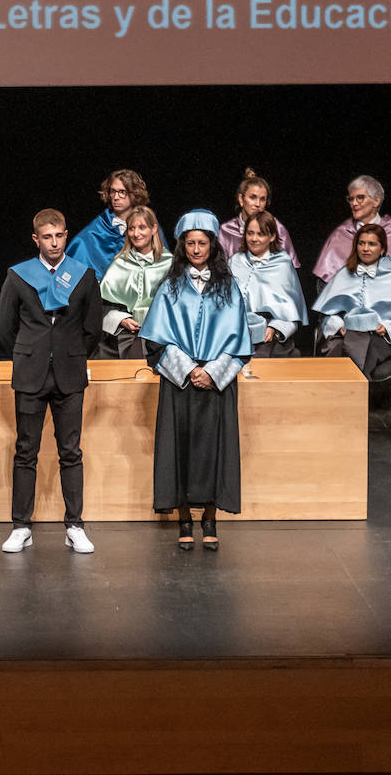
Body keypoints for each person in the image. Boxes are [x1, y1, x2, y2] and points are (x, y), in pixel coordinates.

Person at [139, 210, 253, 550]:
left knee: (214, 449)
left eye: (202, 243)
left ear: (213, 245)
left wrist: (213, 372)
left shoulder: (228, 287)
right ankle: (185, 518)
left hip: (216, 380)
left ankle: (210, 518)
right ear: (182, 246)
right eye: (190, 243)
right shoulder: (171, 286)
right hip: (180, 380)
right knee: (181, 448)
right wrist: (189, 370)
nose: (196, 249)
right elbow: (157, 340)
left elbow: (239, 341)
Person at [0, 209, 101, 555]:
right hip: (30, 374)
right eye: (47, 237)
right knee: (26, 451)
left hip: (70, 375)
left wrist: (68, 353)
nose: (54, 243)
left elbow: (92, 329)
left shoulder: (84, 275)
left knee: (70, 452)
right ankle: (21, 526)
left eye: (59, 236)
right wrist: (32, 353)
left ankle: (74, 526)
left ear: (66, 235)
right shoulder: (18, 277)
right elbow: (5, 329)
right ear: (36, 239)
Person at [313, 223, 391, 381]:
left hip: (379, 339)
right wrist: (338, 325)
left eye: (372, 244)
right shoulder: (343, 274)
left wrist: (387, 328)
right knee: (337, 347)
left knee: (364, 347)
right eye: (361, 243)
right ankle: (332, 399)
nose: (365, 249)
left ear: (382, 249)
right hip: (345, 335)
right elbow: (327, 315)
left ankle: (353, 399)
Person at [228, 210, 310, 357]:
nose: (254, 239)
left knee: (262, 361)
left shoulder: (282, 264)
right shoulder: (235, 261)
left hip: (269, 331)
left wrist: (274, 328)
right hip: (235, 327)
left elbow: (291, 309)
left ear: (272, 236)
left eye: (261, 234)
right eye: (250, 233)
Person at [313, 175, 391, 285]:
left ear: (376, 201)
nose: (354, 203)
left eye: (360, 197)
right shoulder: (341, 234)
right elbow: (323, 284)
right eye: (351, 199)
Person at [97, 205, 172, 359]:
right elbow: (101, 306)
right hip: (123, 337)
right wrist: (121, 319)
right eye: (131, 228)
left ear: (154, 229)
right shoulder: (119, 264)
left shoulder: (170, 264)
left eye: (142, 227)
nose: (136, 234)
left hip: (162, 337)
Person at [65, 169, 154, 279]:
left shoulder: (148, 225)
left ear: (134, 193)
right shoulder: (95, 231)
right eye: (113, 191)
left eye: (122, 192)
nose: (116, 197)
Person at [217, 168, 301, 268]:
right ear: (241, 199)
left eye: (262, 199)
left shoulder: (276, 228)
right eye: (252, 197)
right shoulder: (227, 230)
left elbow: (290, 269)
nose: (257, 204)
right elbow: (219, 270)